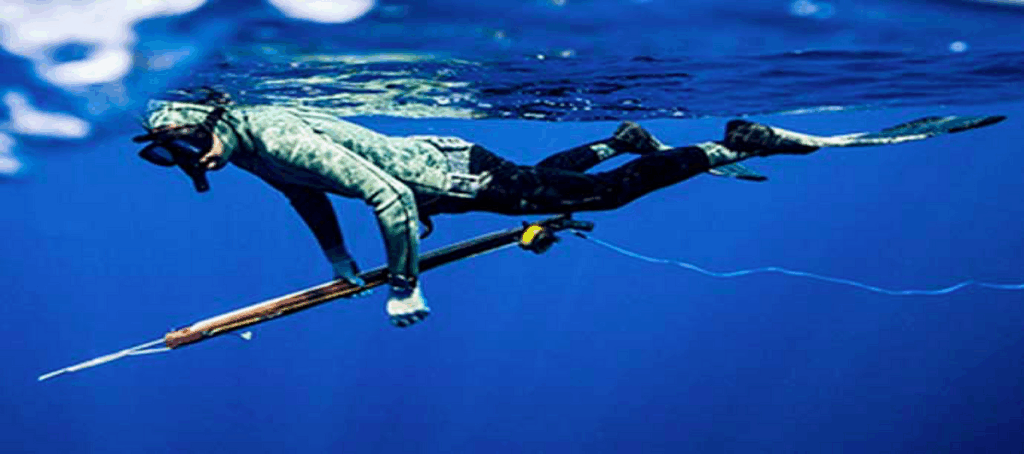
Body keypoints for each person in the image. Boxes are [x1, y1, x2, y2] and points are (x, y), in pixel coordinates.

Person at [134, 92, 1004, 327]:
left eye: (182, 145)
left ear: (204, 122)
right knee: (547, 185)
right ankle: (615, 139)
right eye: (171, 157)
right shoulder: (245, 145)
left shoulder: (269, 135)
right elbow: (310, 200)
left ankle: (732, 142)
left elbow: (387, 195)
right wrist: (335, 267)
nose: (185, 162)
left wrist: (401, 284)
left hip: (451, 182)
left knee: (601, 206)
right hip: (455, 174)